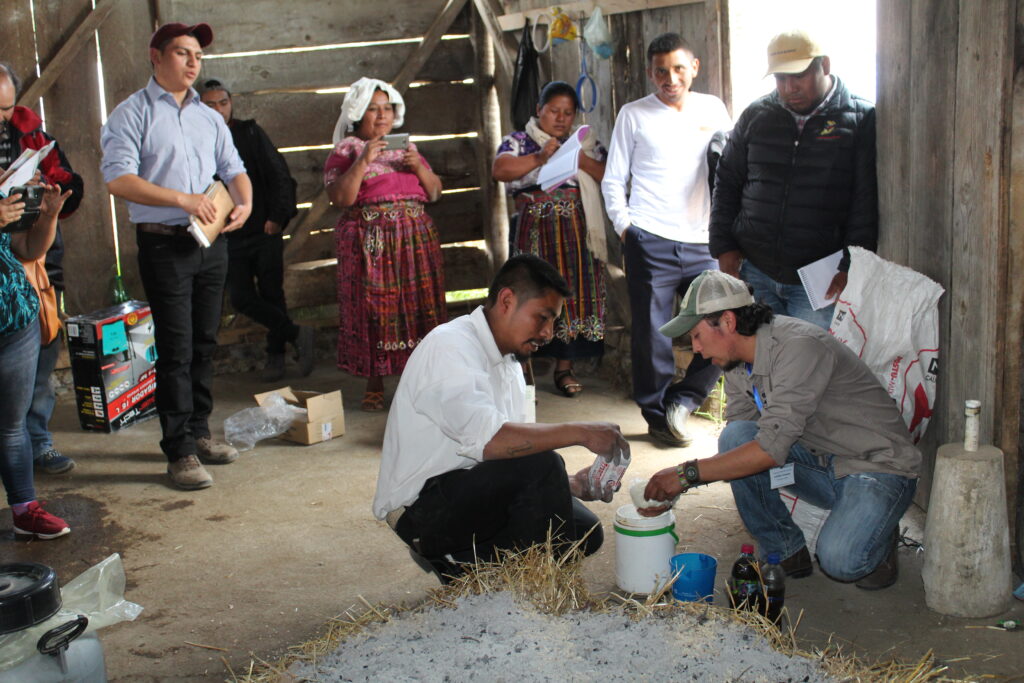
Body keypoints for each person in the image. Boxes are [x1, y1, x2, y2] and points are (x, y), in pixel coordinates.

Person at [644, 270, 920, 590]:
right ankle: (785, 550)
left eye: (696, 336)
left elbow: (769, 450)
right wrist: (683, 484)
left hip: (875, 466)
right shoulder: (734, 363)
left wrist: (684, 475)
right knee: (734, 438)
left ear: (728, 322)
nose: (697, 350)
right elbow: (745, 438)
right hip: (822, 464)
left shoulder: (799, 347)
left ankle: (881, 535)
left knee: (842, 561)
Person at [373, 254, 628, 582]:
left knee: (582, 533)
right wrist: (581, 431)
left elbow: (514, 456)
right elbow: (492, 442)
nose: (549, 333)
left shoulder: (509, 361)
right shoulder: (449, 346)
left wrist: (571, 486)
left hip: (469, 488)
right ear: (507, 300)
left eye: (554, 322)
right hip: (423, 511)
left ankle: (479, 570)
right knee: (543, 465)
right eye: (542, 317)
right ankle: (484, 577)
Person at [101, 22, 252, 490]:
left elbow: (234, 169)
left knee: (206, 340)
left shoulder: (209, 117)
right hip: (163, 242)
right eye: (183, 53)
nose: (192, 63)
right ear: (156, 56)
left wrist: (244, 204)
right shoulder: (132, 113)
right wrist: (182, 199)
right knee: (176, 347)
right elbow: (117, 179)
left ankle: (201, 433)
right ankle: (179, 451)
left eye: (198, 56)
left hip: (210, 242)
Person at [601, 33, 732, 447]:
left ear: (694, 67)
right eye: (660, 70)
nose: (669, 78)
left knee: (723, 321)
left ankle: (686, 399)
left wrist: (726, 230)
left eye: (678, 68)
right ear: (650, 72)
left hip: (703, 242)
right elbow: (612, 179)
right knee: (652, 334)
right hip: (650, 239)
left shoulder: (713, 109)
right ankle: (658, 416)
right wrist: (627, 229)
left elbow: (729, 167)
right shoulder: (634, 114)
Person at [709, 29, 877, 329]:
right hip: (755, 271)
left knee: (809, 366)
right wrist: (724, 246)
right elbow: (727, 180)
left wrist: (852, 266)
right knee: (763, 361)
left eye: (798, 76)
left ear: (824, 66)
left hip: (819, 281)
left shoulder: (859, 118)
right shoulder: (756, 116)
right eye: (780, 78)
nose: (789, 88)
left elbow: (863, 202)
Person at [324, 77, 447, 412]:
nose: (381, 116)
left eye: (387, 108)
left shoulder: (409, 150)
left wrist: (418, 167)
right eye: (372, 109)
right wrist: (363, 160)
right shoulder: (347, 150)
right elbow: (340, 198)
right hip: (371, 242)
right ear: (357, 114)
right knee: (374, 311)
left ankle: (421, 382)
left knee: (421, 308)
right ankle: (374, 381)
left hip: (413, 238)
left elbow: (434, 193)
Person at [492, 81, 607, 398]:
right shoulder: (519, 141)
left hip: (573, 231)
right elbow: (500, 170)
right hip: (535, 230)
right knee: (531, 295)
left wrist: (580, 161)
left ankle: (564, 369)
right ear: (538, 110)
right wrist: (541, 157)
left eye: (568, 113)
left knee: (569, 296)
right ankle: (523, 373)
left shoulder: (584, 143)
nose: (560, 118)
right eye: (554, 110)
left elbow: (609, 173)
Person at [0, 62, 85, 477]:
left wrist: (45, 200)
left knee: (39, 353)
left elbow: (69, 186)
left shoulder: (29, 132)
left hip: (25, 268)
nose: (4, 119)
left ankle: (37, 445)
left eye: (7, 108)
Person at [199, 79, 313, 382]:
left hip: (263, 229)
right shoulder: (196, 140)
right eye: (210, 104)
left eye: (223, 102)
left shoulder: (248, 132)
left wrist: (278, 216)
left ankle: (276, 358)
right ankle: (296, 333)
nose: (218, 109)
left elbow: (279, 173)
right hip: (228, 235)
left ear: (231, 103)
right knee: (240, 298)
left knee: (273, 293)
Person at [1, 182, 73, 538]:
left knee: (12, 426)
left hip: (15, 323)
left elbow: (27, 248)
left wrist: (48, 216)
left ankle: (24, 511)